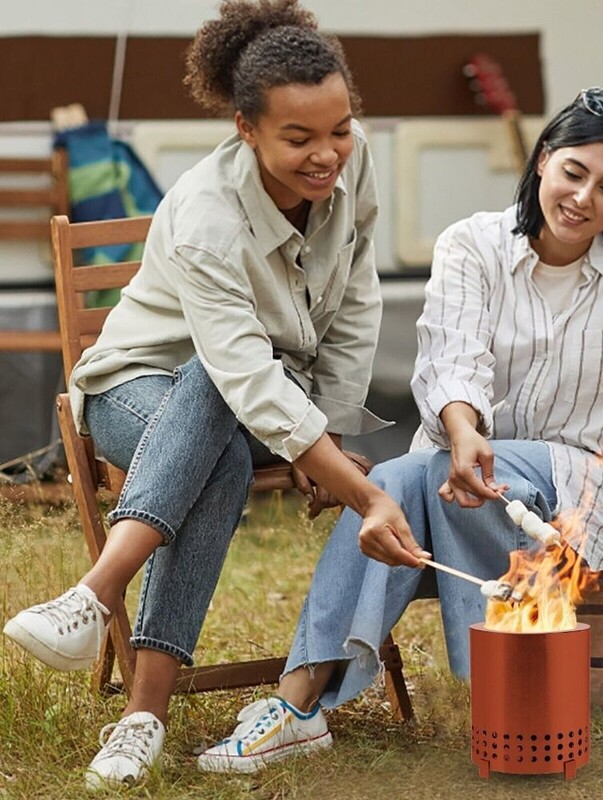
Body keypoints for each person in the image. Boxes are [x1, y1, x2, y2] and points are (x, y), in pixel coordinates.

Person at [195, 86, 603, 775]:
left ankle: (346, 703)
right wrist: (464, 430)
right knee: (402, 479)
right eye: (574, 172)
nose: (585, 198)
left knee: (404, 480)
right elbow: (451, 358)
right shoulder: (473, 245)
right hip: (466, 480)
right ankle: (304, 708)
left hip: (593, 494)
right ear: (541, 163)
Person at [3, 0, 427, 789]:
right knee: (215, 391)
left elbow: (360, 295)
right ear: (245, 128)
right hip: (136, 389)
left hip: (263, 394)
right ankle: (138, 704)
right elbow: (239, 373)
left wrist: (327, 430)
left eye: (338, 129)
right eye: (297, 138)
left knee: (225, 433)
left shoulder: (350, 156)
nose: (326, 154)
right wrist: (363, 489)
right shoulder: (205, 213)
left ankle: (100, 610)